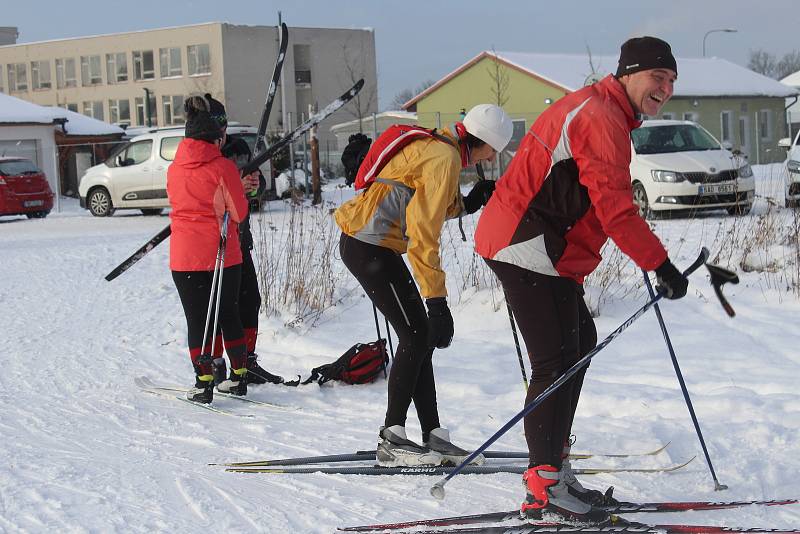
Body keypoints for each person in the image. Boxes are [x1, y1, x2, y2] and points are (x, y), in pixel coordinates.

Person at [474, 37, 688, 525]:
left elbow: (598, 204)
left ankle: (555, 469)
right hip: (524, 245)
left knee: (578, 345)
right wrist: (661, 264)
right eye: (658, 77)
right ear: (630, 73)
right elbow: (615, 207)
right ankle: (543, 486)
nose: (666, 88)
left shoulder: (606, 112)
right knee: (555, 362)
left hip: (547, 252)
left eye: (673, 80)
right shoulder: (600, 117)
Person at [335, 104, 513, 466]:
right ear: (488, 146)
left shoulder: (441, 147)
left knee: (419, 337)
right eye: (497, 151)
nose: (495, 158)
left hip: (373, 245)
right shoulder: (444, 157)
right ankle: (392, 439)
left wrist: (467, 203)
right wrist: (437, 300)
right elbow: (422, 234)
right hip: (368, 246)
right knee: (418, 334)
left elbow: (426, 202)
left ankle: (432, 435)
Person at [167, 95, 251, 403]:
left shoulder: (174, 168)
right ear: (217, 135)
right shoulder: (223, 167)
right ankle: (239, 377)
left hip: (185, 255)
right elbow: (239, 213)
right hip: (221, 254)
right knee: (229, 313)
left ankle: (203, 381)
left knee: (196, 319)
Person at [203, 94, 286, 386]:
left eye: (223, 128)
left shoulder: (238, 150)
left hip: (239, 242)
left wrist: (252, 186)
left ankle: (247, 361)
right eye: (217, 129)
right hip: (210, 248)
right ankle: (214, 364)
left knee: (250, 300)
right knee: (218, 308)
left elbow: (256, 187)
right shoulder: (200, 159)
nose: (222, 136)